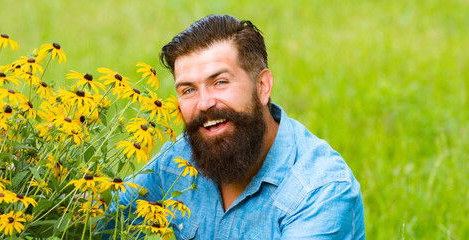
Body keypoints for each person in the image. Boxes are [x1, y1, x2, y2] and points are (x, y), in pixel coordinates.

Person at [113, 14, 365, 239]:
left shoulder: (320, 190)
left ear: (263, 86)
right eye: (188, 90)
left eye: (220, 82)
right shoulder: (176, 164)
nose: (204, 103)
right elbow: (99, 221)